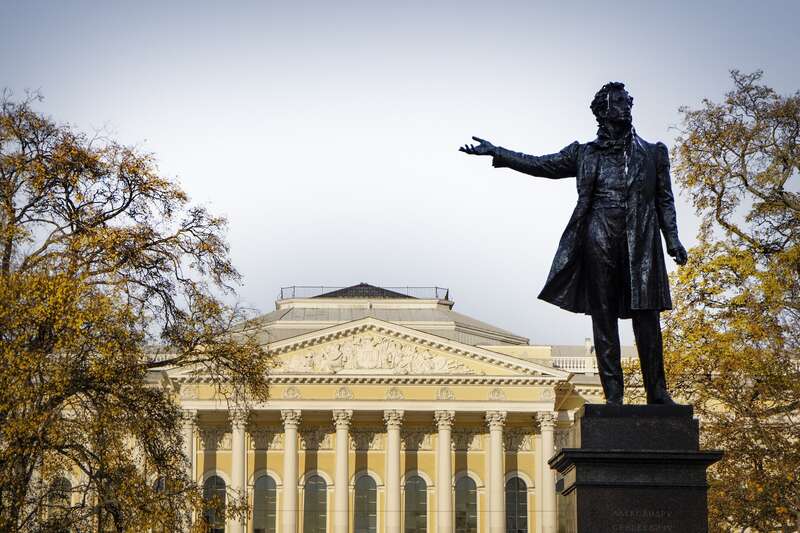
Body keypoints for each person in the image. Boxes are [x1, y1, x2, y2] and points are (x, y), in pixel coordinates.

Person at [460, 82, 687, 405]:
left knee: (647, 316)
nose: (627, 106)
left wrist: (673, 240)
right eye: (621, 102)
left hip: (641, 240)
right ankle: (614, 397)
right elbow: (542, 165)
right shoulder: (584, 153)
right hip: (599, 236)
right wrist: (499, 152)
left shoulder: (653, 153)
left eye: (628, 101)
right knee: (604, 317)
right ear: (603, 111)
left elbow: (665, 199)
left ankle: (658, 392)